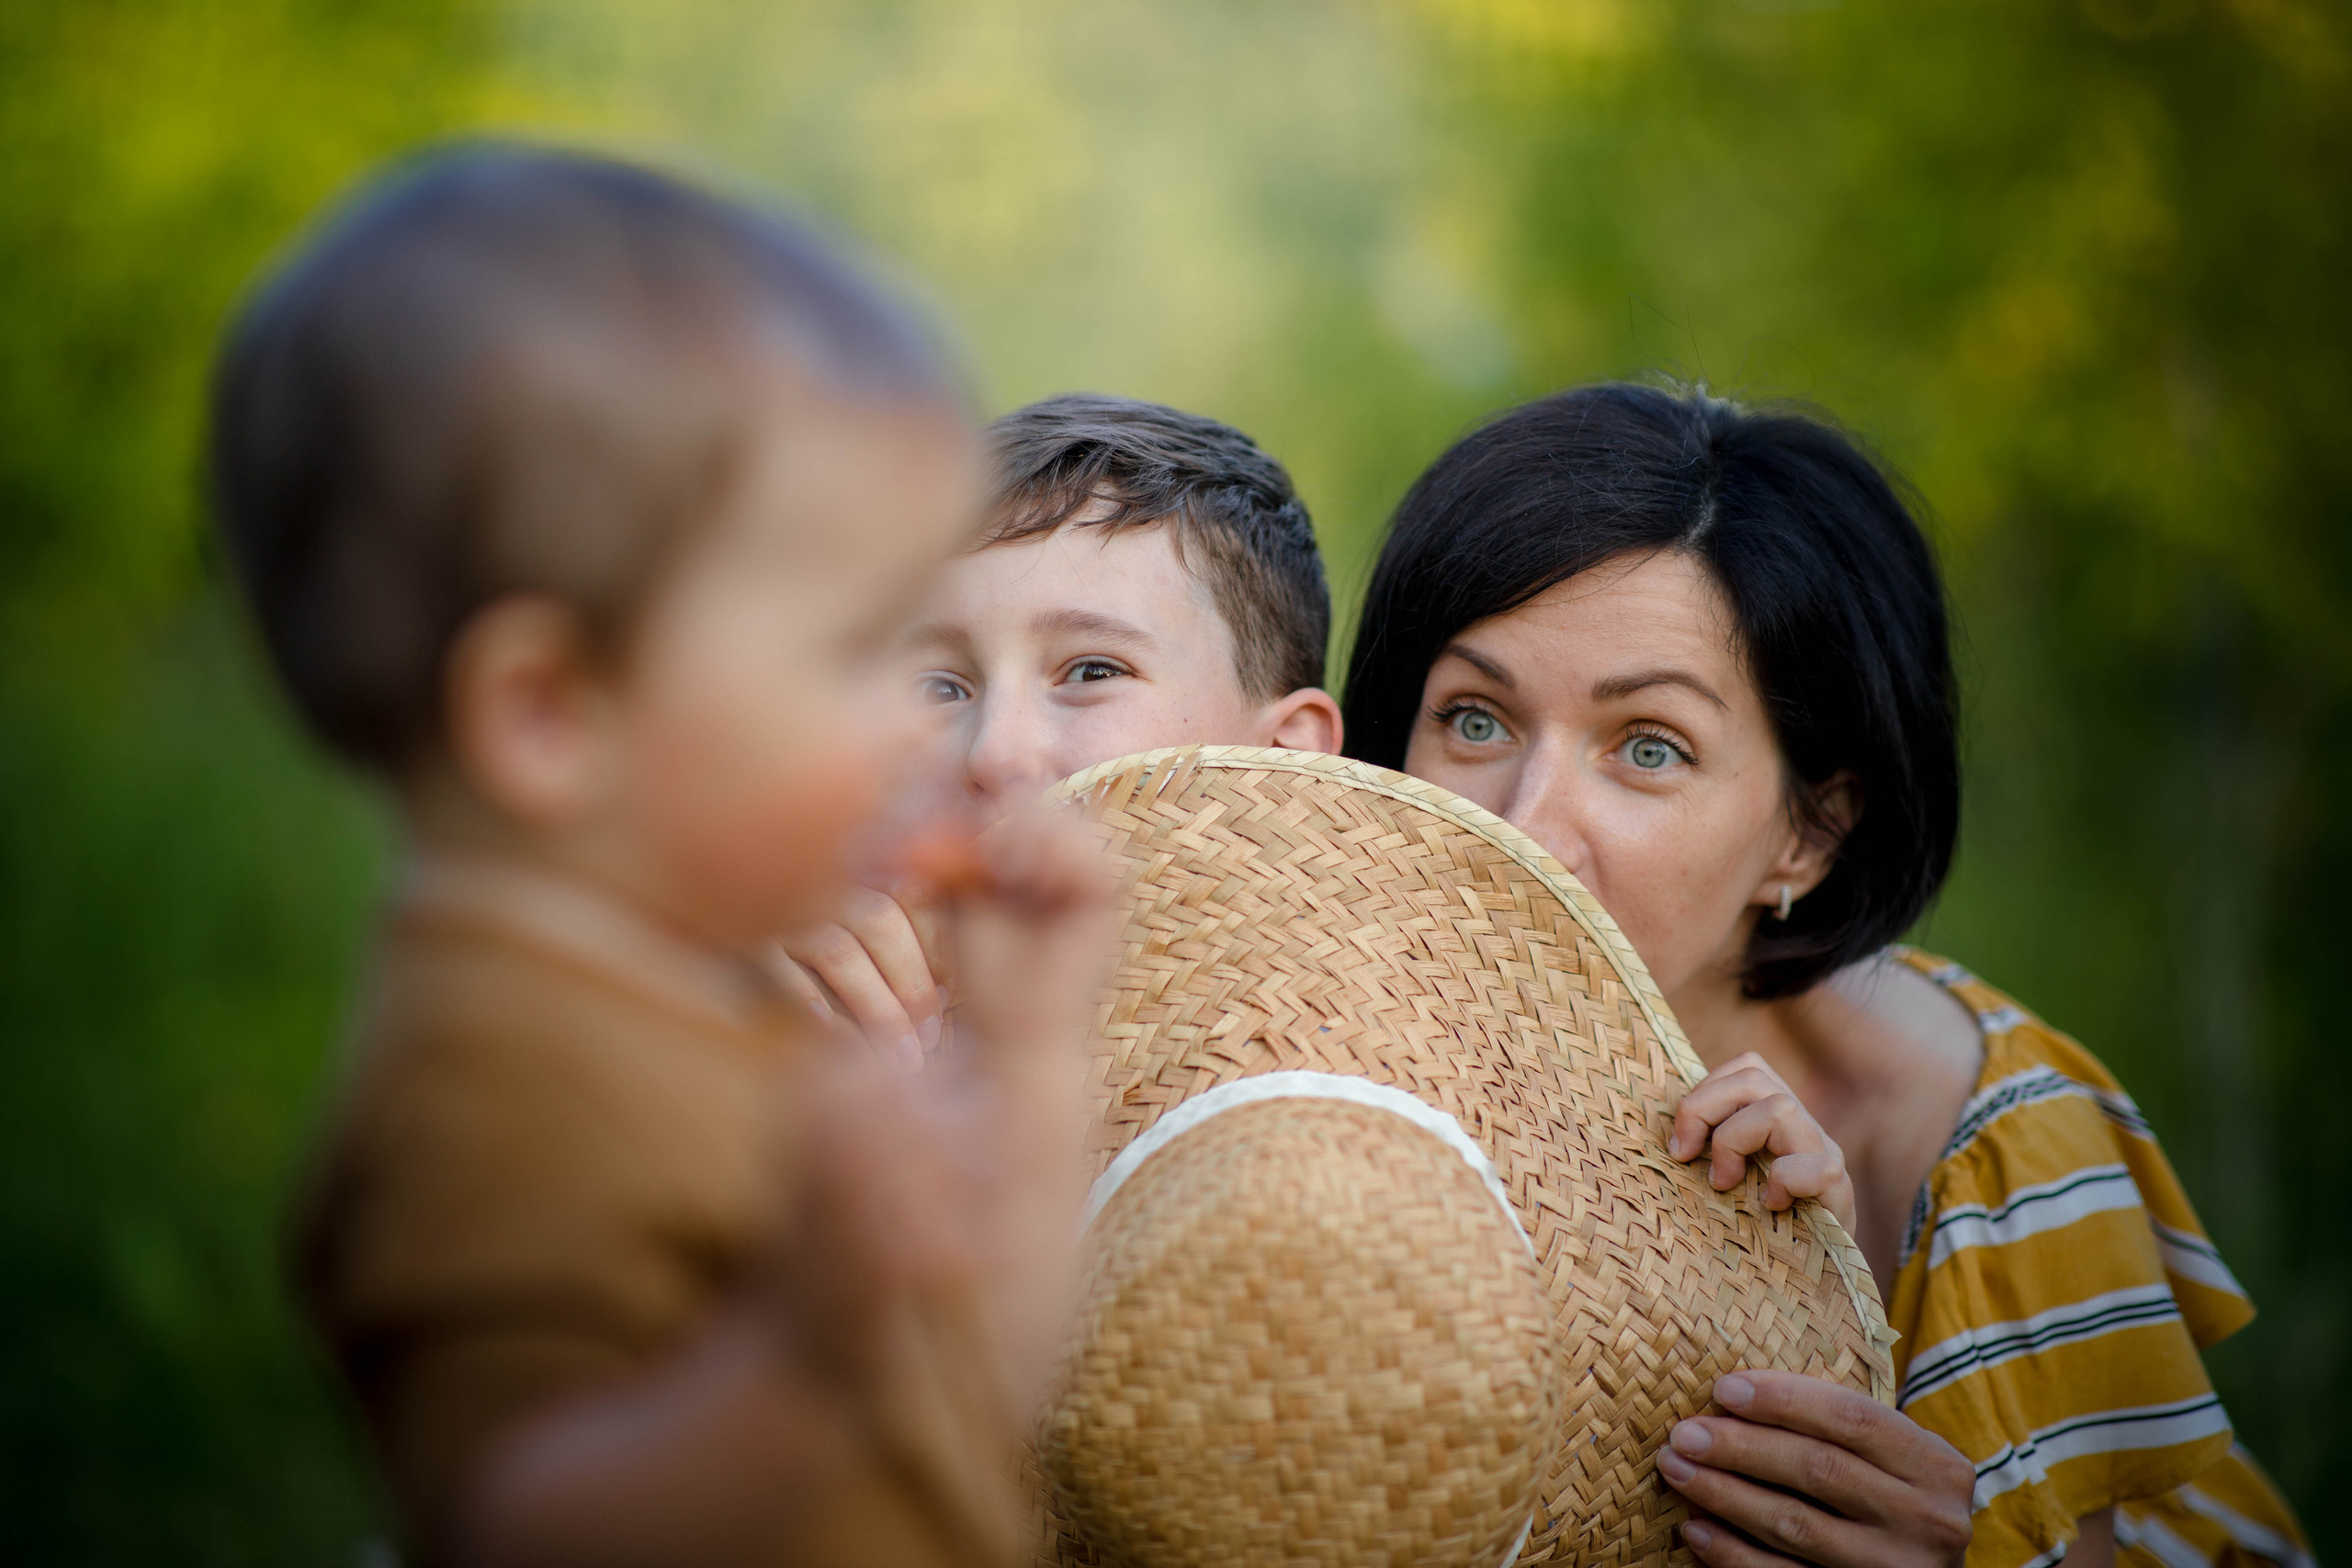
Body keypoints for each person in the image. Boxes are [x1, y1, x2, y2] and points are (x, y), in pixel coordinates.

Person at [209, 143, 1108, 1566]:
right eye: (855, 649)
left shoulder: (722, 1005)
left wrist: (1034, 1051)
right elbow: (515, 1522)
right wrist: (796, 1353)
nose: (915, 728)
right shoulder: (497, 1078)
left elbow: (976, 1410)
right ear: (550, 712)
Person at [1340, 383, 2312, 1568]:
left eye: (1648, 747)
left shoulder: (1981, 1147)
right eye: (1476, 720)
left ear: (1808, 833)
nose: (1528, 827)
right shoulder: (1310, 1034)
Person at [775, 393, 1342, 1060]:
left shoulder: (1361, 1099)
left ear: (1287, 753)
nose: (993, 751)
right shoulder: (790, 1020)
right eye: (939, 687)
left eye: (1093, 671)